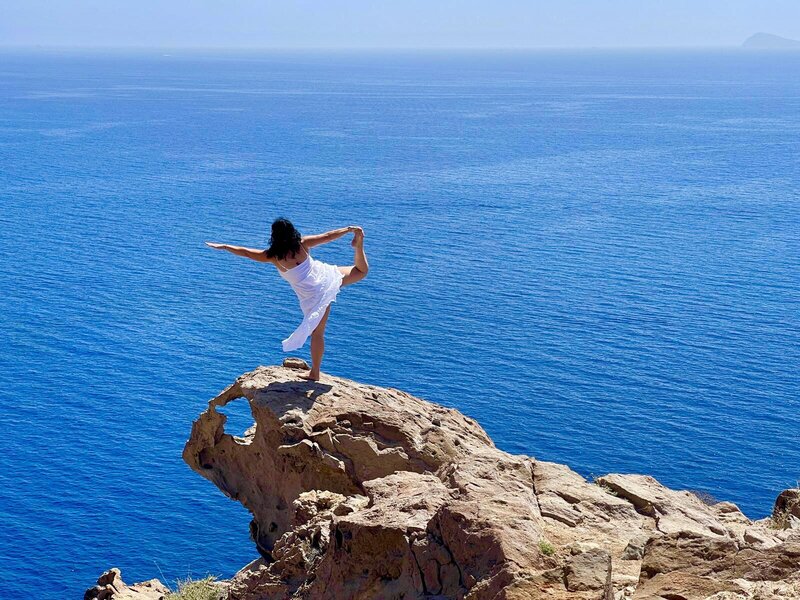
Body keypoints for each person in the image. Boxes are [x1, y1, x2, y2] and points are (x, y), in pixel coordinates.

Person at [205, 218, 368, 380]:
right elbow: (328, 236)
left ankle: (315, 373)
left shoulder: (272, 256)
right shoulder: (302, 244)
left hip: (314, 295)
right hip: (325, 277)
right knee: (361, 271)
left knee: (317, 334)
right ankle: (358, 246)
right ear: (291, 231)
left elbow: (246, 252)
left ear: (274, 236)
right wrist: (348, 230)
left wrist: (225, 247)